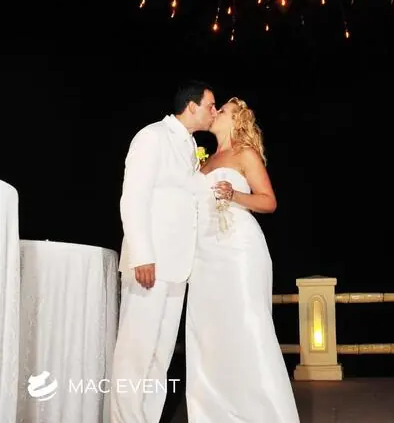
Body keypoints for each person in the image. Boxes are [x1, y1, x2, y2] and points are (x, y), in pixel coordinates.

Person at [186, 97, 300, 422]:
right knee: (208, 333)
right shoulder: (202, 160)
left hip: (238, 251)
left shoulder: (244, 153)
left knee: (246, 326)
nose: (215, 111)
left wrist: (234, 195)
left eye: (222, 110)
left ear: (236, 120)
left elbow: (269, 201)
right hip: (204, 255)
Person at [110, 80, 217, 423]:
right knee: (135, 351)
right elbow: (133, 197)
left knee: (160, 355)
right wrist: (142, 255)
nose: (214, 112)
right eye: (210, 105)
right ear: (192, 106)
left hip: (177, 266)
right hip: (151, 264)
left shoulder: (190, 145)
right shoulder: (152, 137)